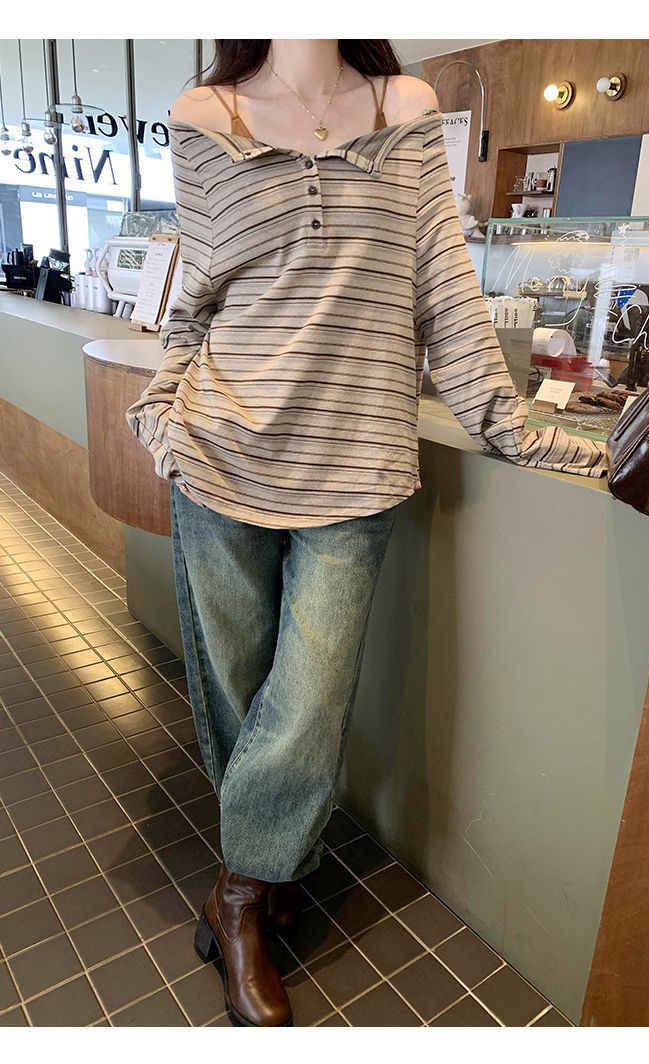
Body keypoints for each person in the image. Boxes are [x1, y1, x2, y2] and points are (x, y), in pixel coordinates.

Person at [125, 39, 607, 1027]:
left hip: (357, 469)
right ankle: (265, 873)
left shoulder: (405, 107)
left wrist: (521, 432)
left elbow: (446, 290)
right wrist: (162, 418)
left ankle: (240, 898)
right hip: (220, 453)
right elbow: (196, 297)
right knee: (236, 694)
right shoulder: (204, 115)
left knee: (307, 701)